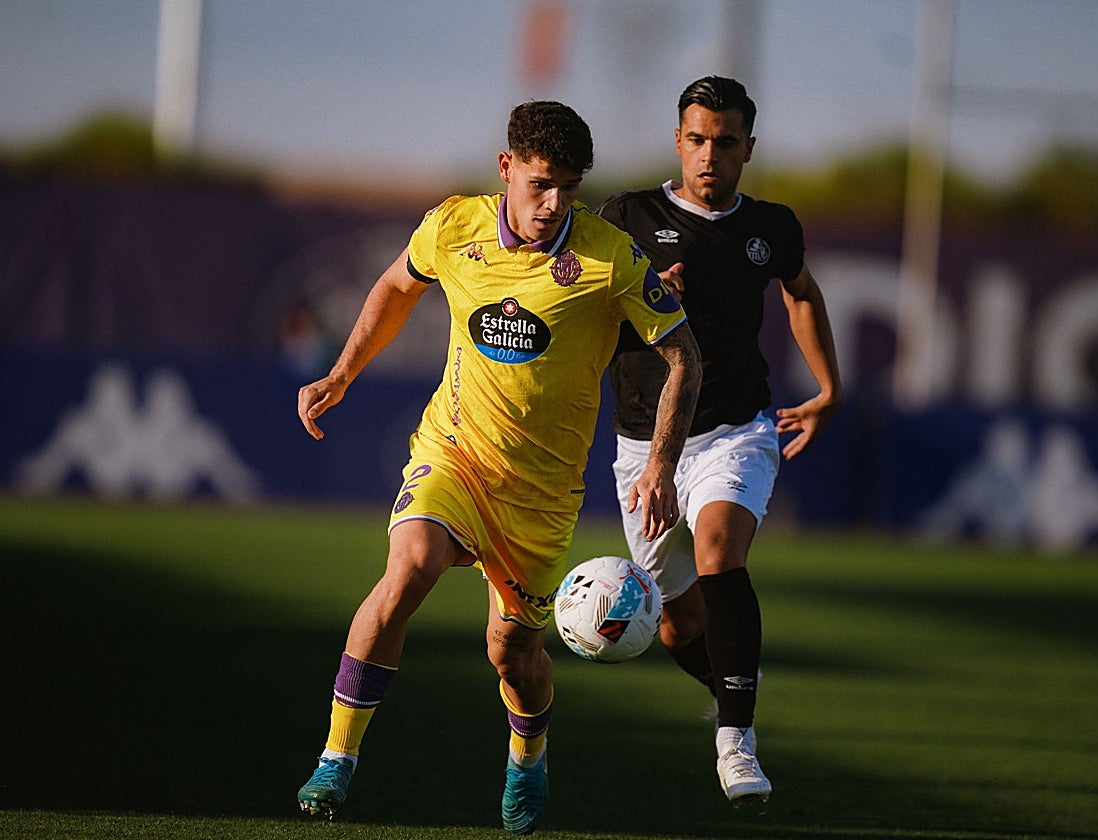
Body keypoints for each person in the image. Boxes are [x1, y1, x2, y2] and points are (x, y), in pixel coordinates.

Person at [295, 100, 701, 835]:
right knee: (409, 567)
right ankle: (337, 756)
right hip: (454, 452)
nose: (553, 204)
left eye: (570, 188)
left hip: (542, 496)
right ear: (506, 168)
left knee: (511, 652)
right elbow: (395, 286)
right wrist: (344, 371)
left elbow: (684, 356)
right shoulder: (453, 226)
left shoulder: (609, 258)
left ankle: (527, 757)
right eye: (541, 183)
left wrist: (662, 464)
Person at [598, 76, 841, 806]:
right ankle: (735, 676)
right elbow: (582, 318)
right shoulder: (626, 215)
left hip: (737, 428)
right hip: (644, 443)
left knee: (718, 551)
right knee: (676, 629)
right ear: (679, 141)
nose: (710, 155)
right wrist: (639, 301)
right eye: (697, 139)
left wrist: (829, 389)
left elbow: (801, 291)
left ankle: (735, 742)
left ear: (748, 149)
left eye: (725, 142)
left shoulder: (770, 227)